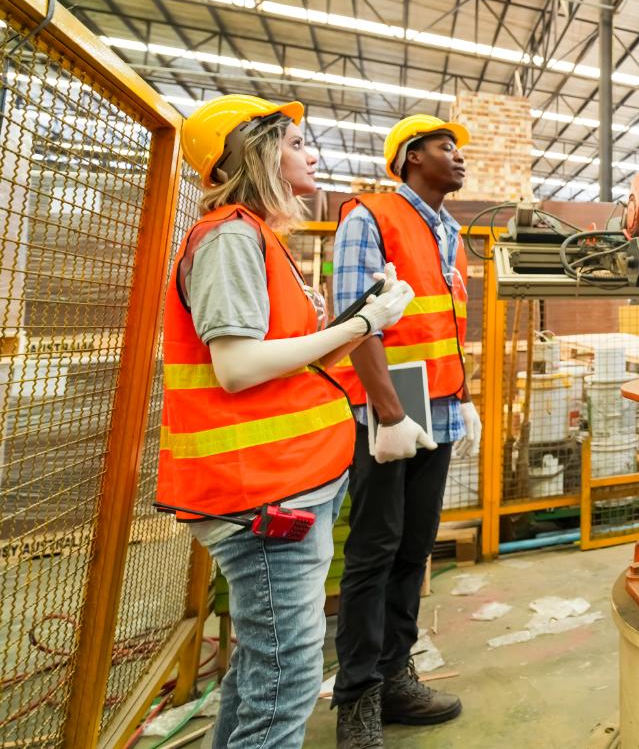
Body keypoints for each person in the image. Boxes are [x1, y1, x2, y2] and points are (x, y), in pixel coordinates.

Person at [157, 94, 414, 749]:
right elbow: (238, 367)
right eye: (297, 143)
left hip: (282, 487)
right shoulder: (231, 237)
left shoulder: (259, 240)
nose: (312, 155)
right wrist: (362, 325)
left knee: (261, 667)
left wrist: (365, 313)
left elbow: (294, 360)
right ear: (254, 153)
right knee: (288, 680)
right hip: (262, 498)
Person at [330, 114, 481, 748]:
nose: (458, 156)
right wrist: (388, 413)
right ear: (411, 156)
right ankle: (357, 697)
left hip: (439, 408)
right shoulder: (371, 217)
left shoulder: (449, 232)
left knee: (415, 548)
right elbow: (358, 320)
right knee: (375, 549)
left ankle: (396, 673)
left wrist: (465, 396)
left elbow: (444, 326)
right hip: (391, 408)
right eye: (446, 146)